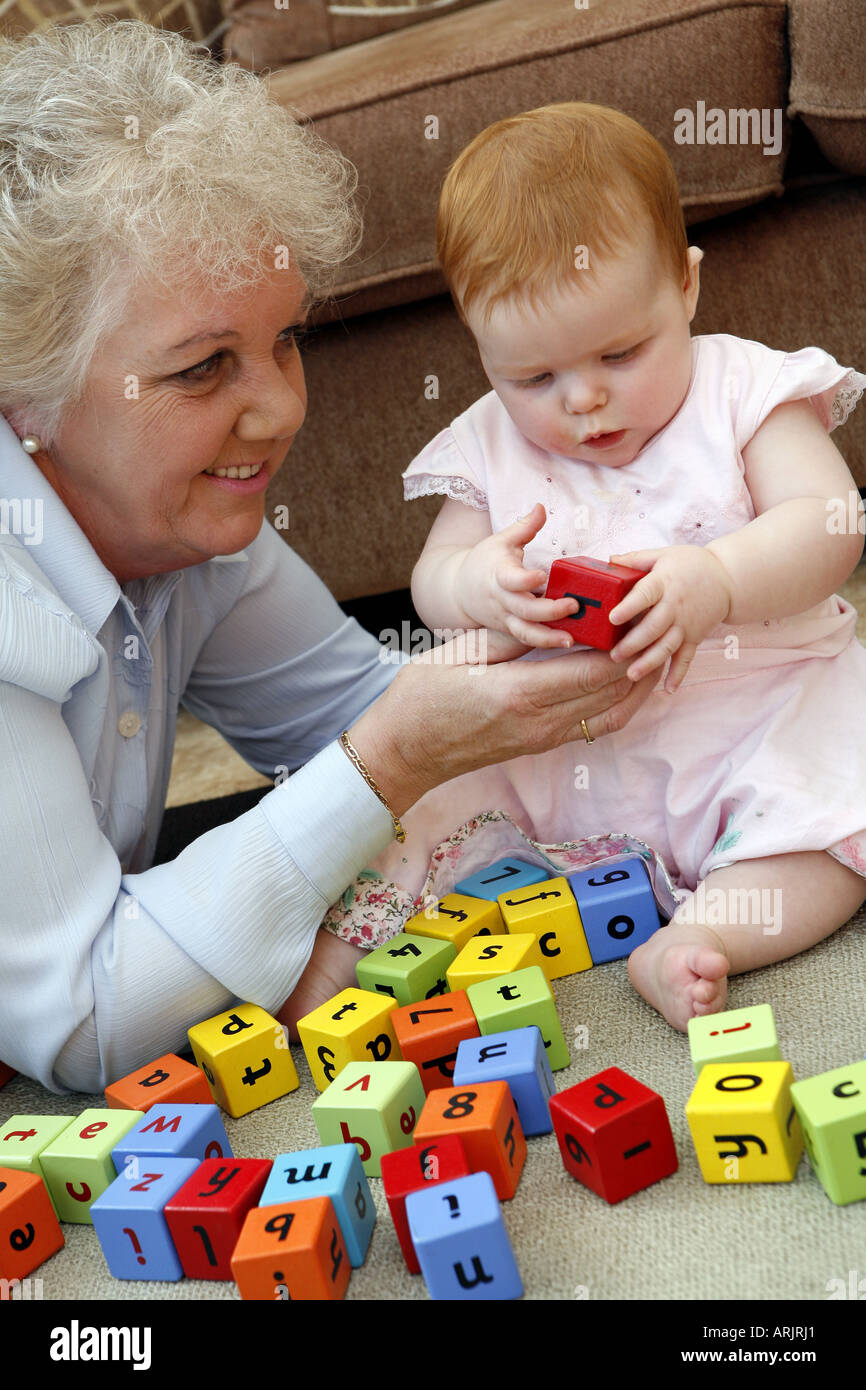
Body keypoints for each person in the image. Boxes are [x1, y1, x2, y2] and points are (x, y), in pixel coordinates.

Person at [0, 30, 659, 1096]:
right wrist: (391, 757)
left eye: (286, 340)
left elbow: (350, 716)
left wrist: (520, 656)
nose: (280, 409)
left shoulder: (188, 526)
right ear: (24, 387)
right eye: (202, 366)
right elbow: (82, 1022)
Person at [332, 101, 866, 1032]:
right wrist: (475, 588)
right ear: (480, 348)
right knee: (407, 804)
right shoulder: (490, 444)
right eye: (531, 378)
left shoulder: (744, 388)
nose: (582, 399)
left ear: (686, 288)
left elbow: (830, 525)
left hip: (755, 720)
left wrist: (722, 581)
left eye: (622, 352)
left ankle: (704, 937)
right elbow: (436, 577)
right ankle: (333, 964)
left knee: (836, 820)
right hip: (560, 752)